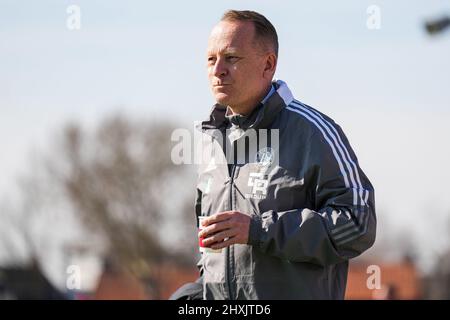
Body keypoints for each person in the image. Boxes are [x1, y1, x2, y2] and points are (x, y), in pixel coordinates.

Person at [170, 9, 376, 300]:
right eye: (210, 59)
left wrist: (259, 229)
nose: (218, 70)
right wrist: (191, 297)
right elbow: (215, 263)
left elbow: (358, 224)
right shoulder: (209, 142)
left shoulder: (313, 132)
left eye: (231, 58)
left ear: (268, 65)